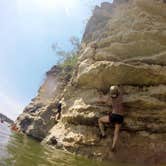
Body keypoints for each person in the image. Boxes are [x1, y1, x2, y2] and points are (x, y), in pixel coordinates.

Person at [97, 85, 124, 152]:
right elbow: (119, 90)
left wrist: (101, 95)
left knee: (99, 120)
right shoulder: (120, 97)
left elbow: (105, 101)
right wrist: (117, 87)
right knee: (116, 132)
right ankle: (113, 147)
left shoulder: (110, 97)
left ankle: (103, 134)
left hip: (113, 116)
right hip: (120, 117)